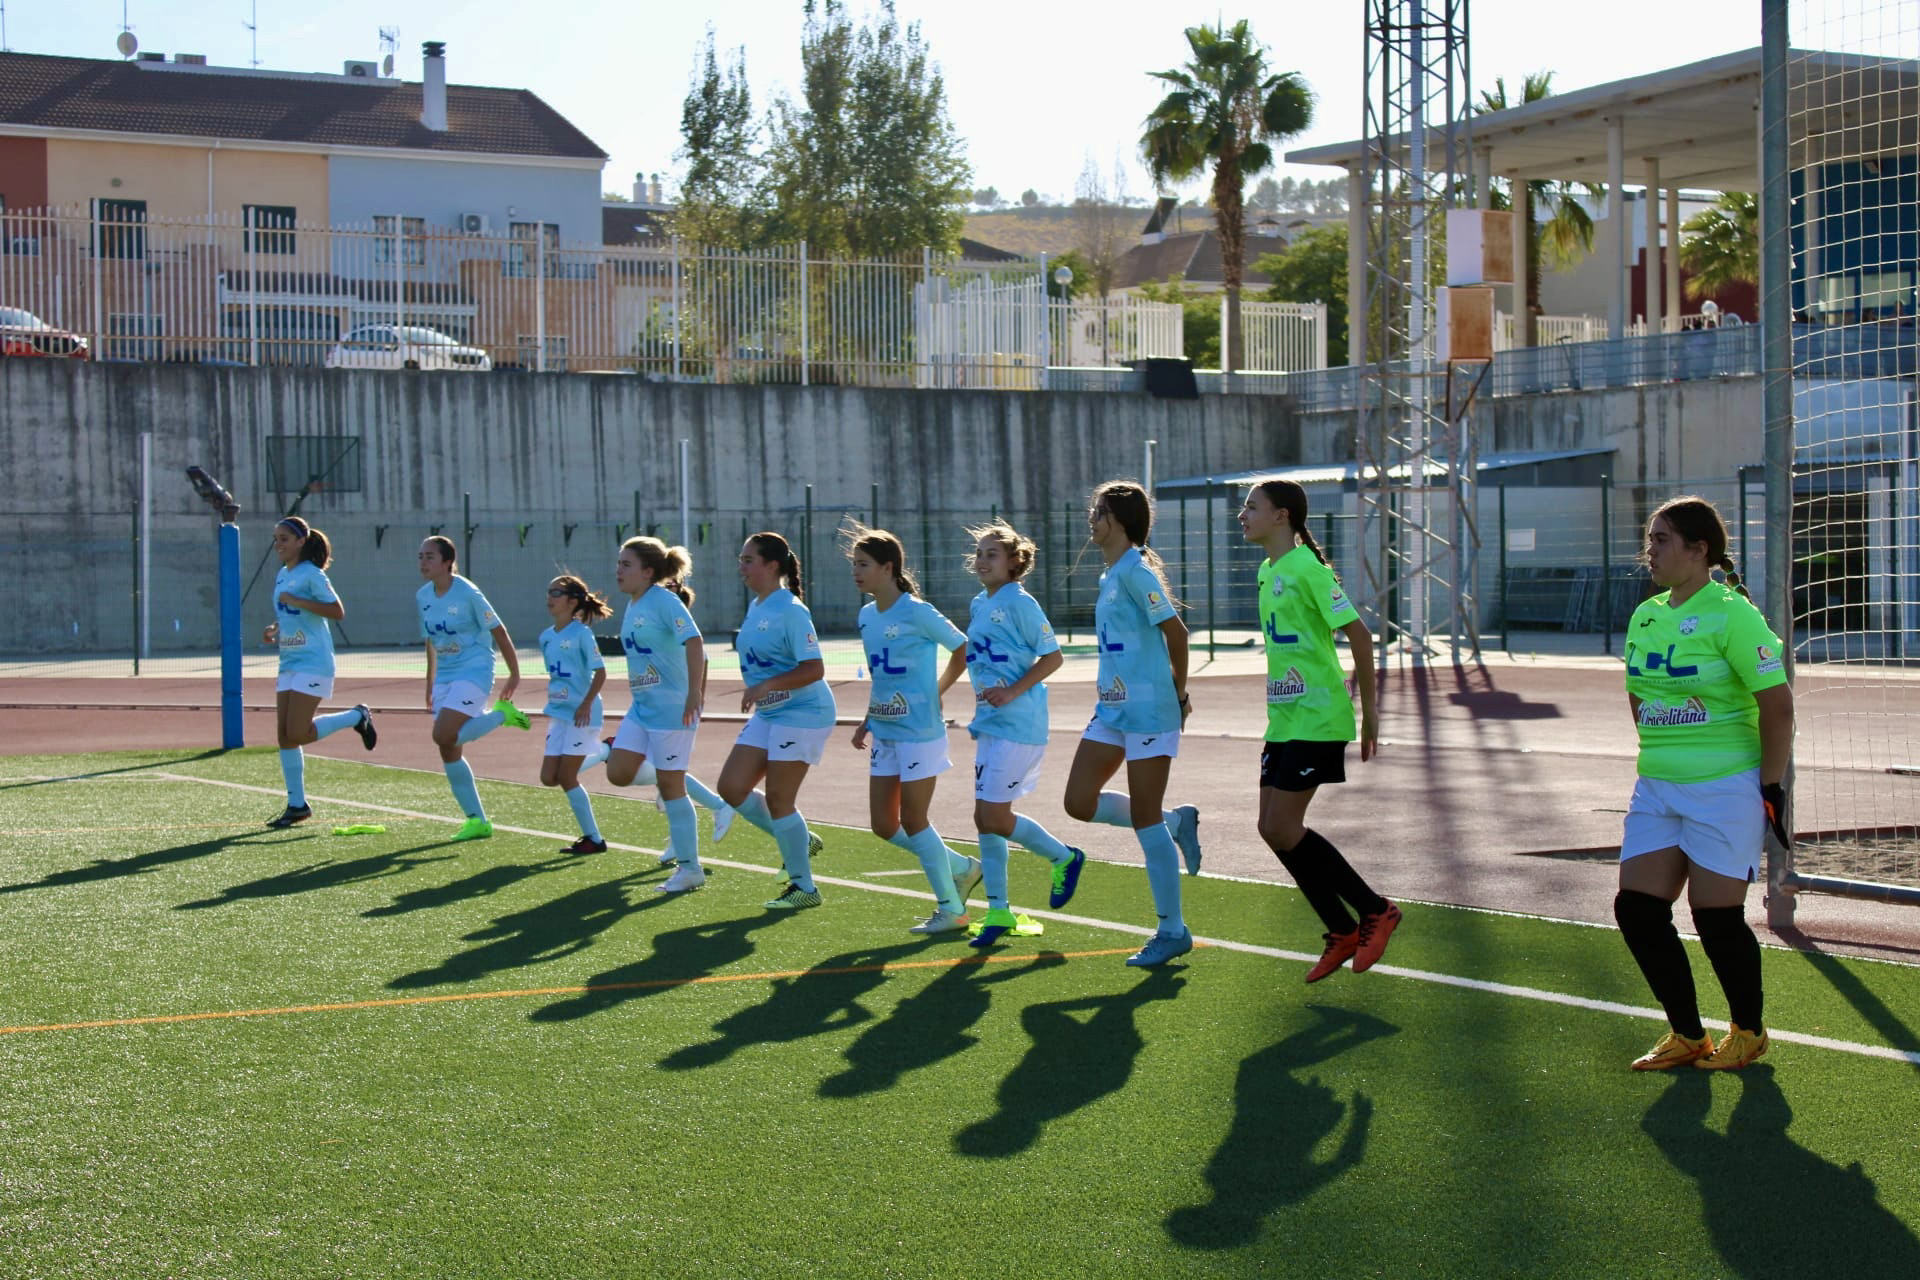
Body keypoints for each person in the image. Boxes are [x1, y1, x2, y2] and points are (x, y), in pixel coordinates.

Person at [1616, 495, 1792, 1072]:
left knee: (1715, 916)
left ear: (1700, 550)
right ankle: (1688, 1035)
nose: (1651, 551)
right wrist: (1663, 746)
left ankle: (1748, 1031)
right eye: (1651, 539)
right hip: (1659, 787)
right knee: (1637, 909)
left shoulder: (1734, 613)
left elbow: (1778, 705)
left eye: (1662, 540)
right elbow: (1638, 693)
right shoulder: (1647, 615)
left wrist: (1770, 786)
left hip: (1725, 787)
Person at [1238, 480, 1399, 981]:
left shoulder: (1307, 566)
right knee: (1270, 829)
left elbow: (1359, 633)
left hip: (1318, 717)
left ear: (1282, 516)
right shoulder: (1268, 571)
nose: (1242, 514)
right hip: (1285, 719)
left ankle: (1376, 910)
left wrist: (1370, 713)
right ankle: (1341, 928)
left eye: (1251, 506)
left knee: (1283, 827)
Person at [1062, 480, 1203, 967]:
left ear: (1120, 520)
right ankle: (1175, 822)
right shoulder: (1111, 574)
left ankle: (1172, 930)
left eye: (1099, 512)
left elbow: (1177, 635)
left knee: (1143, 820)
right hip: (1111, 709)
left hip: (1148, 710)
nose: (1092, 521)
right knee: (1078, 801)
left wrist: (1179, 694)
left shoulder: (1136, 572)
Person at [844, 523, 984, 935]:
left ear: (888, 568)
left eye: (863, 564)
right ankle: (961, 867)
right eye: (853, 563)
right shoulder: (867, 615)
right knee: (884, 825)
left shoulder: (918, 611)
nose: (856, 571)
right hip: (885, 730)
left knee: (915, 819)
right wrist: (868, 719)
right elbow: (883, 676)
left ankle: (951, 910)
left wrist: (938, 689)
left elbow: (963, 648)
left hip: (920, 732)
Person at [960, 520, 1085, 949]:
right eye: (978, 554)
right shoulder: (980, 603)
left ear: (1015, 562)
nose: (981, 561)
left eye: (991, 554)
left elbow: (1053, 657)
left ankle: (1064, 857)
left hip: (1020, 723)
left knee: (994, 816)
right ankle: (998, 911)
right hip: (991, 723)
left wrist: (1012, 691)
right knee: (984, 819)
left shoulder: (1021, 602)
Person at [600, 537, 735, 892]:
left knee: (672, 786)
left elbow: (695, 642)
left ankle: (690, 869)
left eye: (626, 564)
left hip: (673, 709)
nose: (619, 570)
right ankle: (672, 782)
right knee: (618, 772)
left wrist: (695, 693)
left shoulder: (664, 600)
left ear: (648, 572)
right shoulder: (634, 603)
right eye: (618, 563)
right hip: (642, 708)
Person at [715, 532, 832, 909]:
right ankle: (802, 841)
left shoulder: (791, 609)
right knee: (731, 787)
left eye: (749, 560)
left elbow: (814, 668)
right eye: (741, 558)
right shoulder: (758, 605)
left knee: (781, 799)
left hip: (803, 713)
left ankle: (804, 889)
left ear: (772, 566)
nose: (742, 566)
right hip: (772, 712)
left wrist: (767, 685)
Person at [263, 517, 375, 828]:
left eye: (284, 538)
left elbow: (337, 610)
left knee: (298, 732)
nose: (279, 544)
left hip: (313, 660)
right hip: (289, 660)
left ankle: (357, 716)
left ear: (301, 541)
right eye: (276, 538)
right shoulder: (282, 574)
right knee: (285, 736)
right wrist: (275, 627)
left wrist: (298, 600)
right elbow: (289, 612)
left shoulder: (312, 574)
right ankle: (296, 805)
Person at [416, 535, 529, 841]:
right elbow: (431, 641)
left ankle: (501, 715)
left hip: (475, 670)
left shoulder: (467, 592)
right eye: (421, 557)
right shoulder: (423, 596)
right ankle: (477, 821)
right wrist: (429, 683)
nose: (423, 563)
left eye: (429, 557)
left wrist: (514, 673)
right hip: (446, 675)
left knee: (442, 734)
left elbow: (499, 631)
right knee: (449, 749)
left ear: (447, 562)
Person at [536, 574, 612, 855]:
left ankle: (594, 839)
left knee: (568, 778)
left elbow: (600, 673)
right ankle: (605, 751)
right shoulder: (545, 637)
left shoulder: (582, 633)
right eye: (549, 591)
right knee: (548, 777)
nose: (550, 597)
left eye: (556, 593)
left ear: (572, 601)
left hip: (583, 714)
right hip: (559, 713)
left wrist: (585, 704)